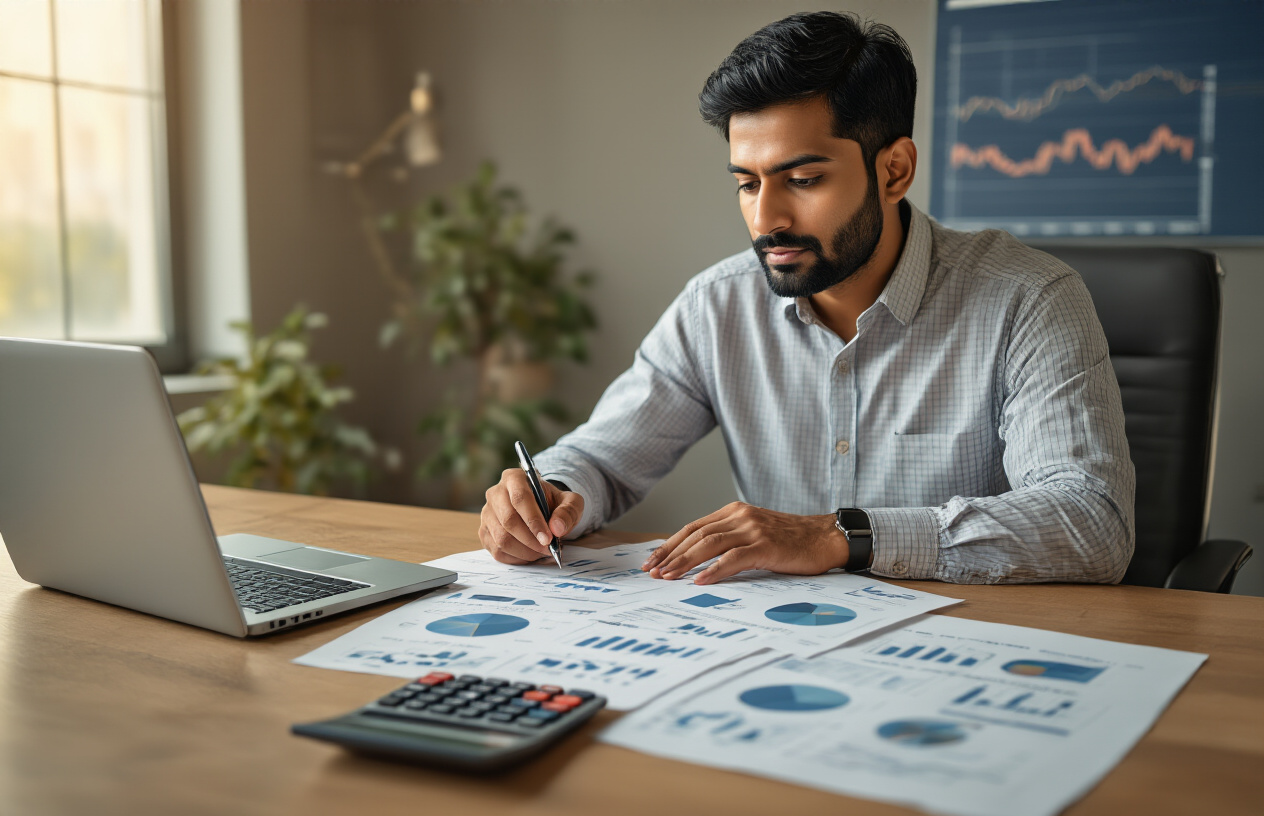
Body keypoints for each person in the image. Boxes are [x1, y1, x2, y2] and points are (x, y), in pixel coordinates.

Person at [477, 11, 1135, 586]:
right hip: (781, 657)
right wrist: (551, 493)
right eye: (746, 183)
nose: (767, 218)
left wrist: (838, 537)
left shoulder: (1028, 299)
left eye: (804, 178)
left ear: (894, 170)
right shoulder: (717, 307)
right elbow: (600, 459)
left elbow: (1091, 523)